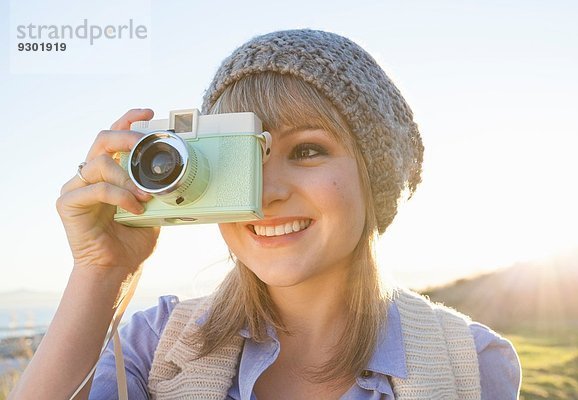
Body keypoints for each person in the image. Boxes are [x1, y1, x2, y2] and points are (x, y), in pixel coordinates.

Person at [10, 29, 521, 399]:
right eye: (245, 160)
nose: (266, 193)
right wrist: (99, 271)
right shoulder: (154, 346)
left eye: (307, 151)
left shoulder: (473, 363)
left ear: (376, 176)